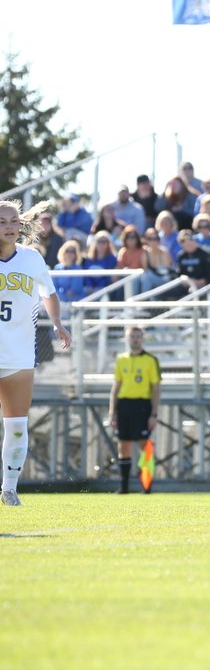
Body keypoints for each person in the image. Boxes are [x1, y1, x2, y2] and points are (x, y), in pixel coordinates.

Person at [0, 200, 72, 506]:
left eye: (14, 221)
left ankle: (9, 488)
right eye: (3, 222)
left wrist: (57, 323)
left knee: (16, 426)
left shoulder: (31, 259)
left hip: (18, 356)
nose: (9, 227)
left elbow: (49, 293)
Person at [108, 327, 160, 494]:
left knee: (144, 445)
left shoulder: (151, 360)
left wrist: (154, 414)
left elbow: (156, 388)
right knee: (123, 445)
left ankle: (147, 486)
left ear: (142, 339)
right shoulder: (121, 359)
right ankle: (124, 487)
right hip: (124, 405)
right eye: (132, 337)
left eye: (138, 336)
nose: (135, 340)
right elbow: (116, 387)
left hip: (142, 405)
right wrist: (112, 412)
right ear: (127, 339)